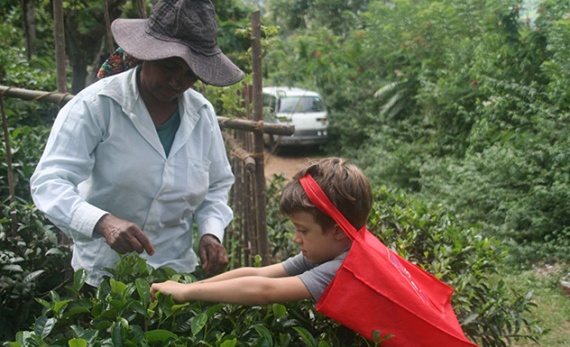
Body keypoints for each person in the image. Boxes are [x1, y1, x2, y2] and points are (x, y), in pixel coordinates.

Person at [30, 0, 245, 287]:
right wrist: (102, 222)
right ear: (144, 56)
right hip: (104, 279)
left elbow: (216, 186)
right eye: (169, 68)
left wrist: (210, 232)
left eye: (190, 74)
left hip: (175, 277)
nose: (177, 82)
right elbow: (49, 181)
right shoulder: (97, 106)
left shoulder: (202, 115)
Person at [149, 157, 373, 305]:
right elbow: (257, 274)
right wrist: (187, 287)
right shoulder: (334, 250)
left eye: (303, 231)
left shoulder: (344, 267)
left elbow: (264, 290)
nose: (296, 238)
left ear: (338, 231)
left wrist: (187, 294)